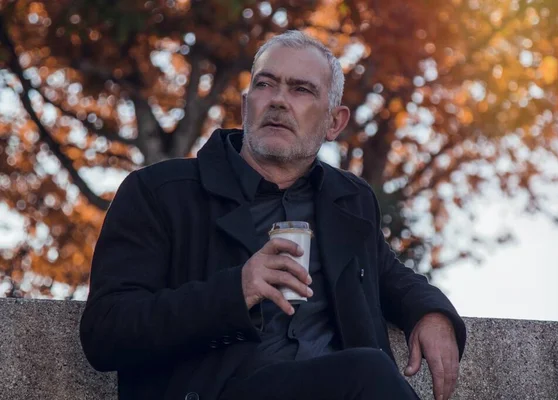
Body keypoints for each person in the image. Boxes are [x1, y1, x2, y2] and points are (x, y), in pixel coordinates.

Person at [80, 30, 466, 400]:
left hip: (339, 389)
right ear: (246, 105)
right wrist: (237, 290)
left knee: (366, 371)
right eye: (266, 85)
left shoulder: (349, 201)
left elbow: (388, 275)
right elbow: (106, 331)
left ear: (334, 122)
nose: (279, 100)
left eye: (301, 89)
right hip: (221, 391)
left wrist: (432, 313)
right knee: (369, 370)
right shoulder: (161, 192)